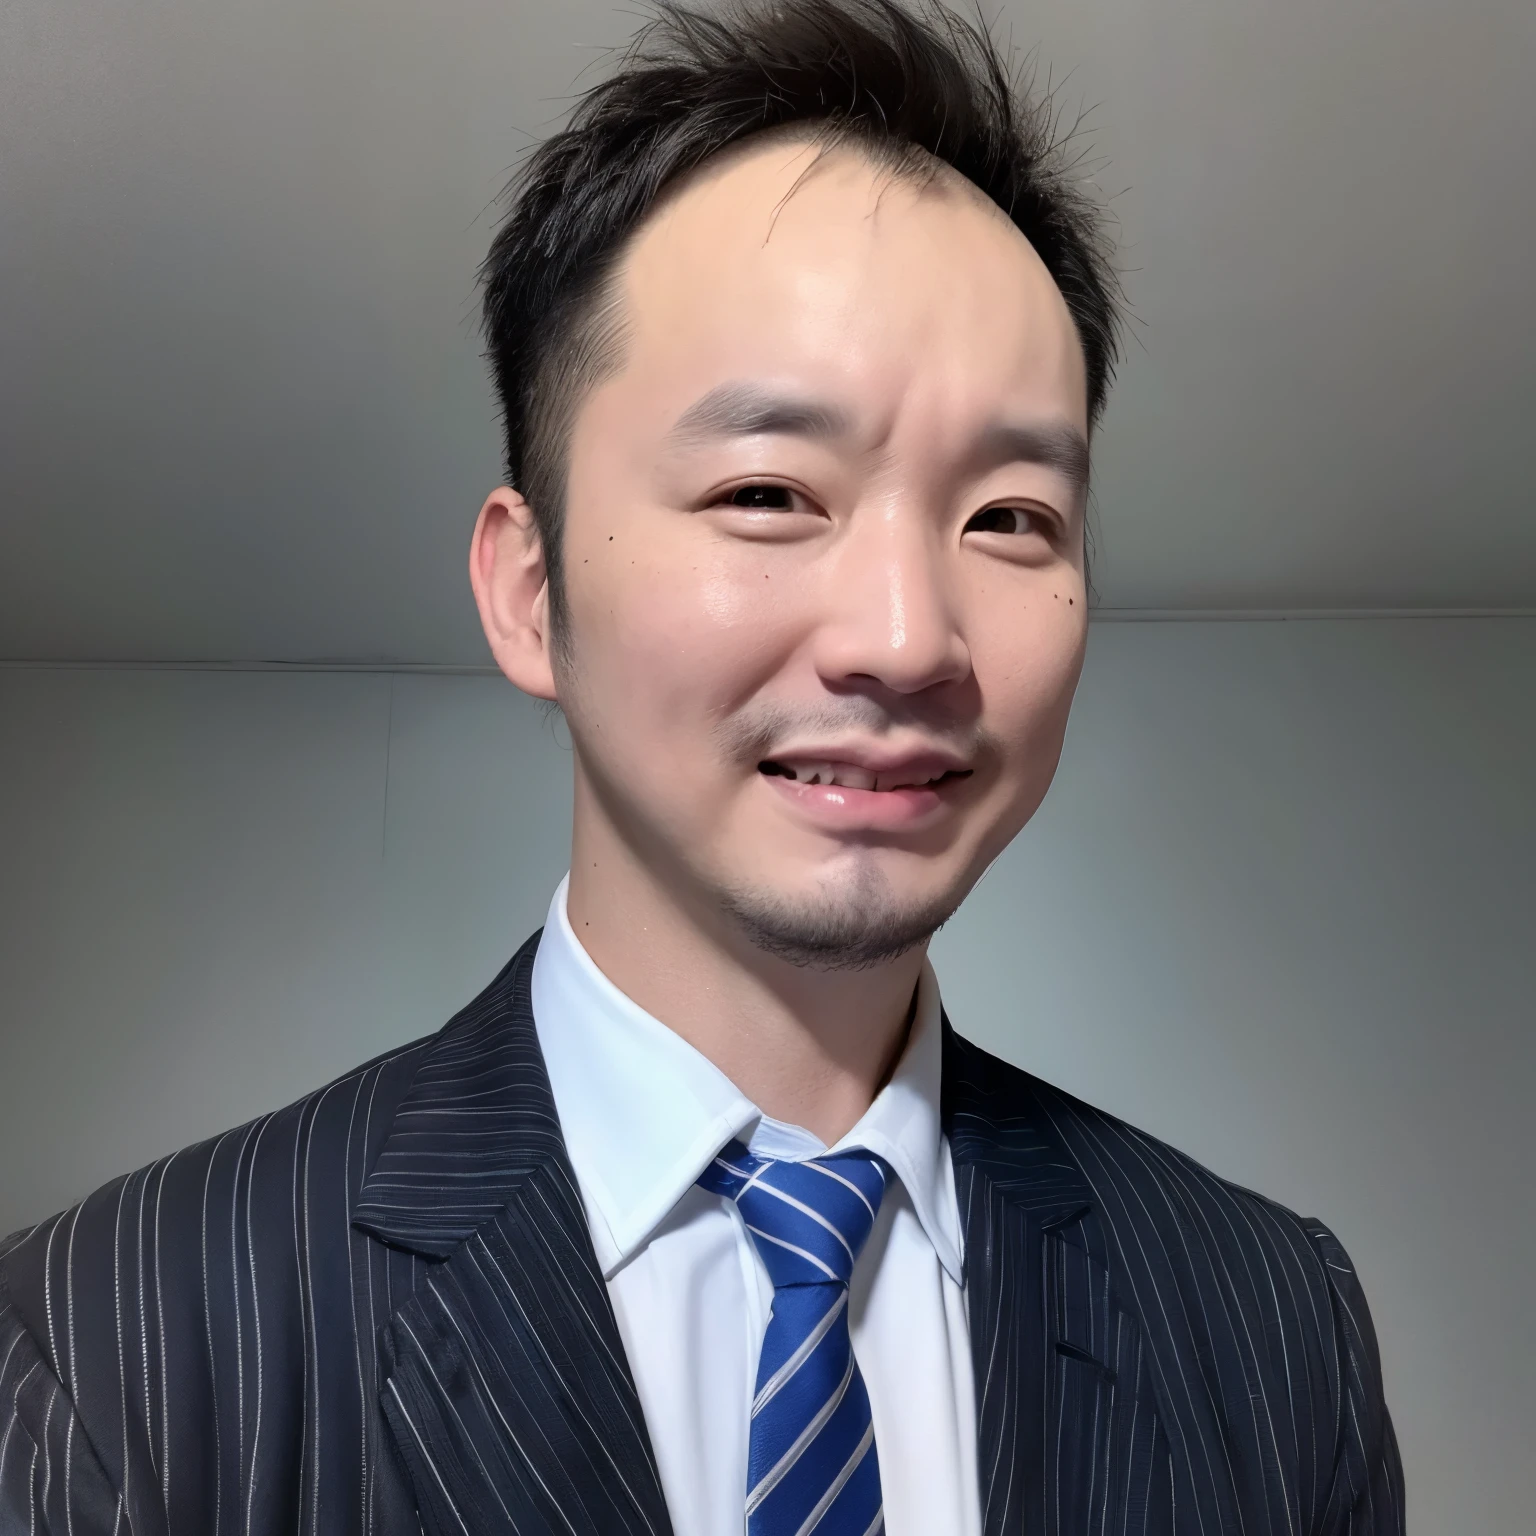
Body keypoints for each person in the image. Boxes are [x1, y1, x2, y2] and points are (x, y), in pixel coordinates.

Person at [0, 2, 1403, 1532]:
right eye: (767, 490)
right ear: (531, 591)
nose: (904, 635)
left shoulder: (1275, 1330)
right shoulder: (121, 1342)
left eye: (1010, 517)